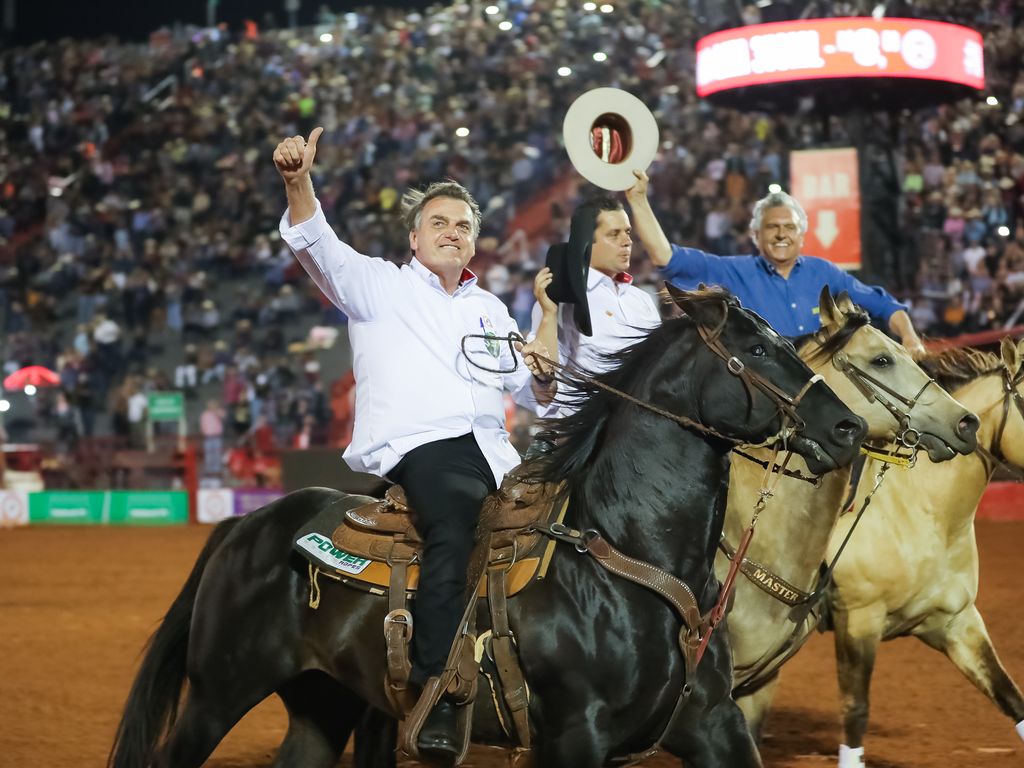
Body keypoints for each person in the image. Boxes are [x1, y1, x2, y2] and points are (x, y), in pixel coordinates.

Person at [275, 128, 558, 758]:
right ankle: (436, 691)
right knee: (455, 523)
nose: (452, 230)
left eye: (463, 223)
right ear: (414, 236)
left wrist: (546, 327)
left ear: (474, 239)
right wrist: (298, 181)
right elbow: (317, 244)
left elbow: (538, 391)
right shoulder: (377, 286)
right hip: (424, 449)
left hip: (499, 455)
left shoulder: (492, 309)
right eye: (438, 221)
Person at [626, 171, 927, 355]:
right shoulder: (732, 271)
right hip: (763, 401)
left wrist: (911, 339)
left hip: (823, 395)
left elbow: (887, 307)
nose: (782, 233)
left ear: (802, 235)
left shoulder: (824, 272)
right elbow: (664, 257)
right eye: (772, 227)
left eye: (790, 227)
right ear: (755, 235)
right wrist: (638, 199)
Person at [530, 193, 661, 419]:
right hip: (587, 433)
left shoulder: (642, 300)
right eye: (614, 234)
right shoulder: (562, 300)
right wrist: (549, 315)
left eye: (627, 232)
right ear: (587, 242)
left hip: (643, 429)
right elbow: (545, 392)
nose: (627, 241)